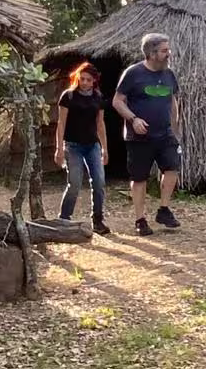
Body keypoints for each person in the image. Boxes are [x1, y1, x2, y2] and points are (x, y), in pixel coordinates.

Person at [112, 33, 181, 236]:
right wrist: (134, 119)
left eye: (168, 49)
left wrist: (175, 128)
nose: (168, 54)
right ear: (151, 53)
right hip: (139, 137)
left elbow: (173, 101)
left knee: (172, 168)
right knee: (139, 177)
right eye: (164, 51)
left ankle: (164, 209)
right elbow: (117, 101)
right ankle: (140, 219)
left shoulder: (169, 75)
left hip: (165, 134)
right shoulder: (133, 73)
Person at [53, 63, 111, 235]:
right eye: (82, 79)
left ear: (94, 81)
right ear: (77, 78)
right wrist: (59, 148)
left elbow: (100, 124)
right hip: (73, 145)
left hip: (92, 145)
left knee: (99, 182)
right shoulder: (68, 96)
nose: (84, 82)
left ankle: (98, 220)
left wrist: (104, 148)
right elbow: (61, 123)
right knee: (75, 183)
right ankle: (64, 219)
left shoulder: (98, 97)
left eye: (88, 80)